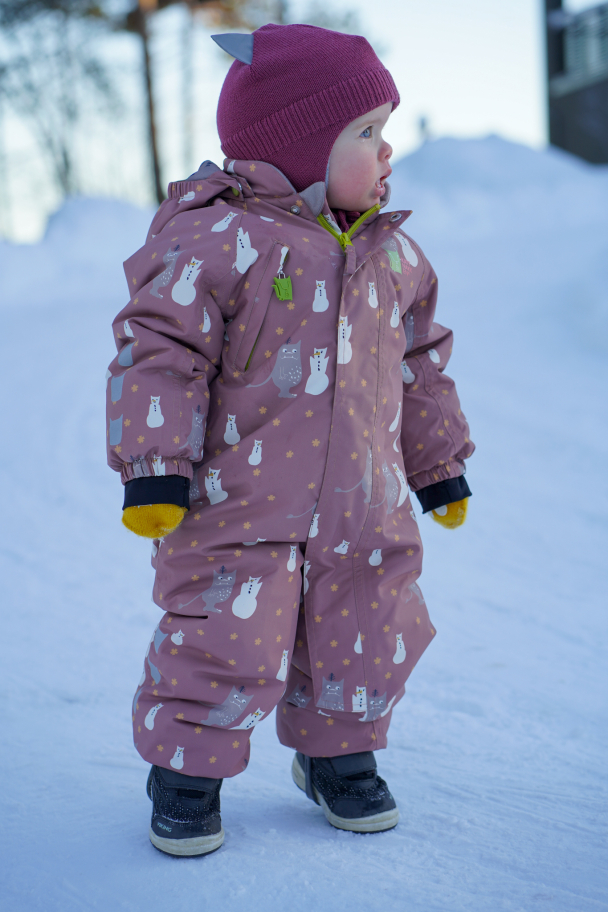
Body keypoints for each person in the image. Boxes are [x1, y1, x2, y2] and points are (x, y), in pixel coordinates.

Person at [106, 23, 474, 857]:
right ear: (299, 145)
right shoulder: (217, 241)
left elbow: (420, 366)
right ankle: (189, 769)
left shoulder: (397, 255)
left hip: (363, 503)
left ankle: (340, 756)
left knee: (367, 624)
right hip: (238, 502)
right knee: (221, 633)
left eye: (385, 130)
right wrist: (155, 469)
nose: (388, 152)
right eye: (367, 132)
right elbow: (158, 350)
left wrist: (439, 464)